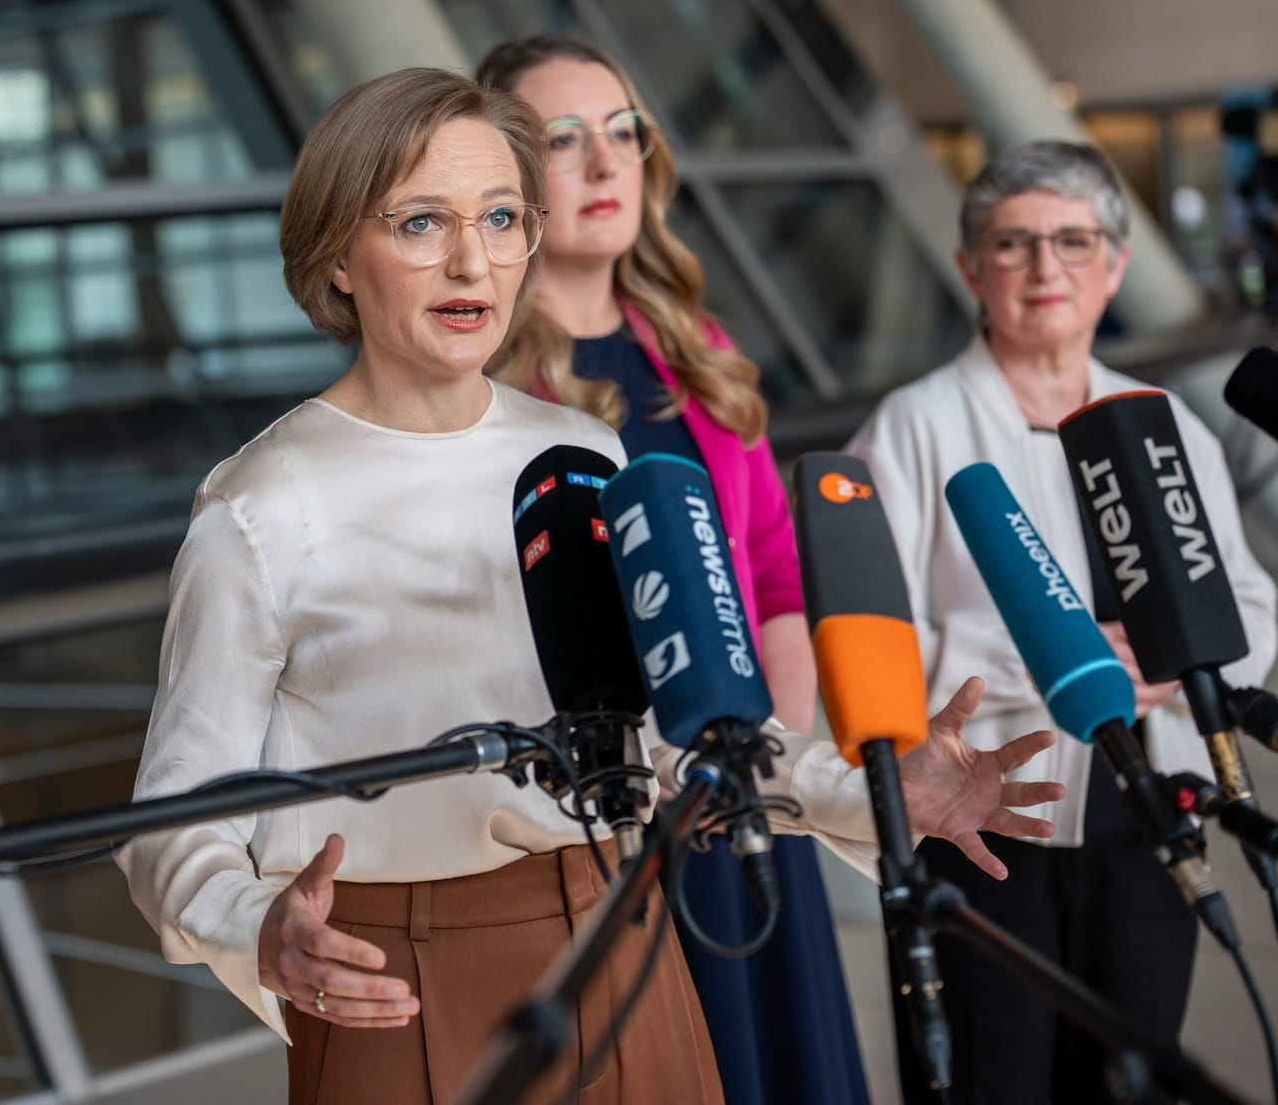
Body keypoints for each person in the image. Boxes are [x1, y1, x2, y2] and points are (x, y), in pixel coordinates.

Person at [116, 65, 1065, 1105]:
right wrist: (259, 926)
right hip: (395, 977)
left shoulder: (580, 449)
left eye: (501, 216)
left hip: (626, 932)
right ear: (340, 252)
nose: (472, 258)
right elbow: (176, 817)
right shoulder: (260, 503)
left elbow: (669, 735)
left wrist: (882, 791)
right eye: (422, 221)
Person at [476, 31, 870, 1105]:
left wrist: (780, 766)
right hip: (603, 829)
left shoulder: (692, 344)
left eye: (624, 133)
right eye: (564, 140)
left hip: (746, 794)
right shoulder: (481, 386)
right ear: (502, 176)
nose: (607, 165)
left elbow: (777, 579)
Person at [848, 139, 1278, 1105]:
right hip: (980, 819)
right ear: (970, 267)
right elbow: (869, 634)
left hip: (1146, 819)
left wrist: (1167, 661)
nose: (1047, 268)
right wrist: (1057, 662)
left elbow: (1250, 601)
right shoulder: (913, 425)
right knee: (985, 1082)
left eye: (1075, 241)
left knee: (1131, 1080)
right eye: (1015, 243)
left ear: (1117, 265)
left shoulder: (1162, 418)